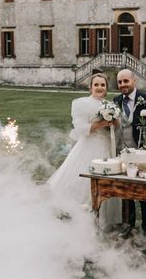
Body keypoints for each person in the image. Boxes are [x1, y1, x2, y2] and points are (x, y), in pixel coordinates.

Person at [47, 72, 121, 226]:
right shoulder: (82, 104)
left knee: (106, 181)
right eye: (96, 85)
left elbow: (115, 129)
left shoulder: (110, 106)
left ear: (107, 88)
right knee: (83, 181)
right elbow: (81, 129)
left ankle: (103, 218)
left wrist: (114, 123)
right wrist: (102, 123)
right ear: (90, 88)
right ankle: (78, 215)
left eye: (103, 85)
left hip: (106, 147)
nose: (99, 87)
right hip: (89, 146)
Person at [113, 69, 146, 240]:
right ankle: (129, 224)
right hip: (123, 153)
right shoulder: (116, 100)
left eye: (126, 81)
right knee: (127, 190)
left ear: (134, 81)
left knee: (145, 191)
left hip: (143, 154)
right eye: (119, 82)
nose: (123, 85)